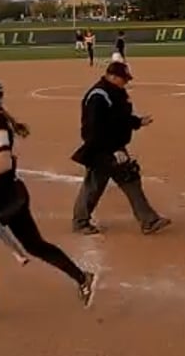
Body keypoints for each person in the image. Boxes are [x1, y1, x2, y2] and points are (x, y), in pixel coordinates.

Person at [0, 77, 95, 319]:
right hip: (11, 195)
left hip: (1, 200)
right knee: (34, 245)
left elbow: (3, 162)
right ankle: (82, 278)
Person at [70, 59, 170, 235]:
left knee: (126, 180)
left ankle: (148, 220)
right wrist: (112, 150)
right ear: (112, 76)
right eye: (124, 79)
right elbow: (95, 129)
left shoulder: (116, 92)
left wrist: (138, 122)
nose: (126, 82)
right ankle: (80, 222)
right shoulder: (98, 96)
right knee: (97, 184)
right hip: (101, 149)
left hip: (114, 146)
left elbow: (119, 118)